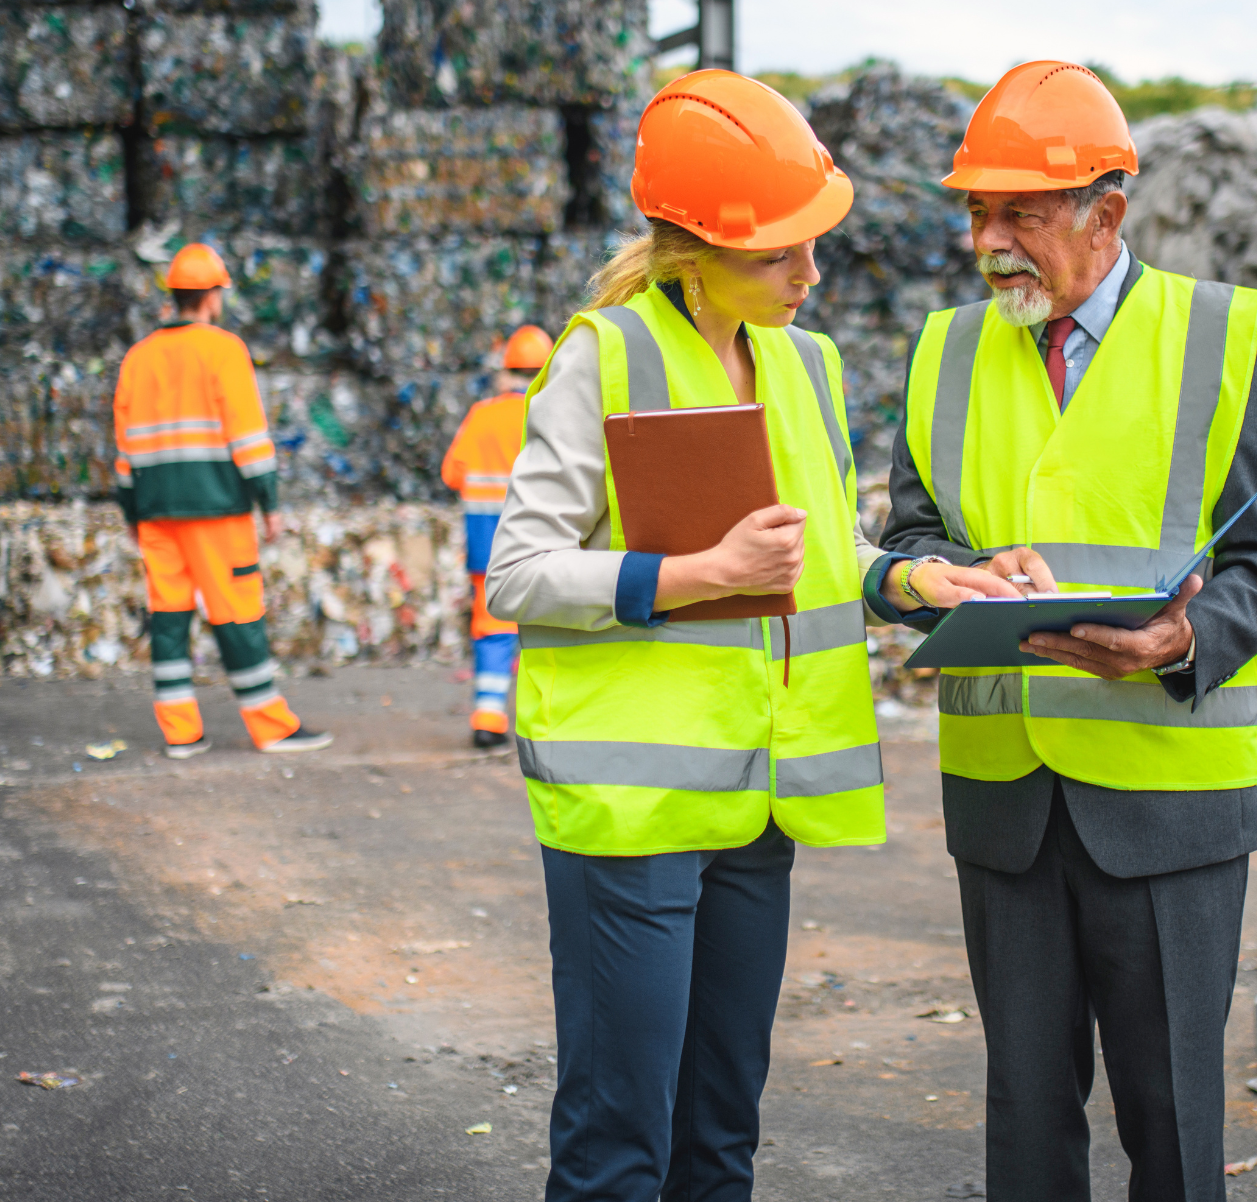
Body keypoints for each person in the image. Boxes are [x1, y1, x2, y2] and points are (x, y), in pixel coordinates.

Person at [485, 69, 1009, 1202]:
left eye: (814, 244)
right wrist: (697, 576)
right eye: (781, 254)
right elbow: (517, 573)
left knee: (721, 1137)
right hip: (630, 813)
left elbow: (821, 553)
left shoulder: (805, 363)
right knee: (620, 1140)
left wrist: (915, 576)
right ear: (693, 250)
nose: (810, 274)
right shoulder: (605, 356)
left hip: (757, 799)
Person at [877, 60, 1257, 1201]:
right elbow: (908, 542)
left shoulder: (1228, 337)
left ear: (1107, 215)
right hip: (1005, 799)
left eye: (1021, 215)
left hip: (1171, 801)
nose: (990, 242)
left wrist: (1184, 643)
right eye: (976, 214)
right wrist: (942, 579)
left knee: (1173, 1121)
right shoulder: (945, 350)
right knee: (1026, 1121)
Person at [113, 242, 330, 759]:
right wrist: (269, 502)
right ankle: (270, 725)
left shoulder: (138, 358)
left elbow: (124, 447)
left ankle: (180, 733)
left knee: (169, 618)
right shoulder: (224, 350)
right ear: (212, 297)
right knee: (237, 612)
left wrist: (130, 511)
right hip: (217, 510)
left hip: (155, 511)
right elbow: (248, 437)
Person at [440, 324, 554, 750]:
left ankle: (488, 720)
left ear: (506, 372)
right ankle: (543, 727)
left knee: (493, 631)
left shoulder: (482, 414)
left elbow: (452, 474)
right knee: (547, 632)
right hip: (542, 548)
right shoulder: (553, 413)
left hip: (486, 547)